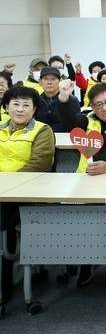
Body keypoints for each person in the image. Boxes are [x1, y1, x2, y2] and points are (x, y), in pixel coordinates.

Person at [0, 86, 55, 301]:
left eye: (26, 105)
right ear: (6, 107)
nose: (20, 109)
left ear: (34, 110)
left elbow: (39, 163)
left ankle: (3, 287)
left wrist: (8, 186)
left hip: (25, 192)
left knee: (4, 216)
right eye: (15, 104)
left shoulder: (42, 130)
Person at [36, 66, 78, 132]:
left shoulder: (72, 100)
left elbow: (77, 125)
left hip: (65, 136)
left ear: (60, 81)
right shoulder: (36, 101)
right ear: (40, 82)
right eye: (46, 79)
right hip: (42, 136)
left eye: (53, 79)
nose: (49, 82)